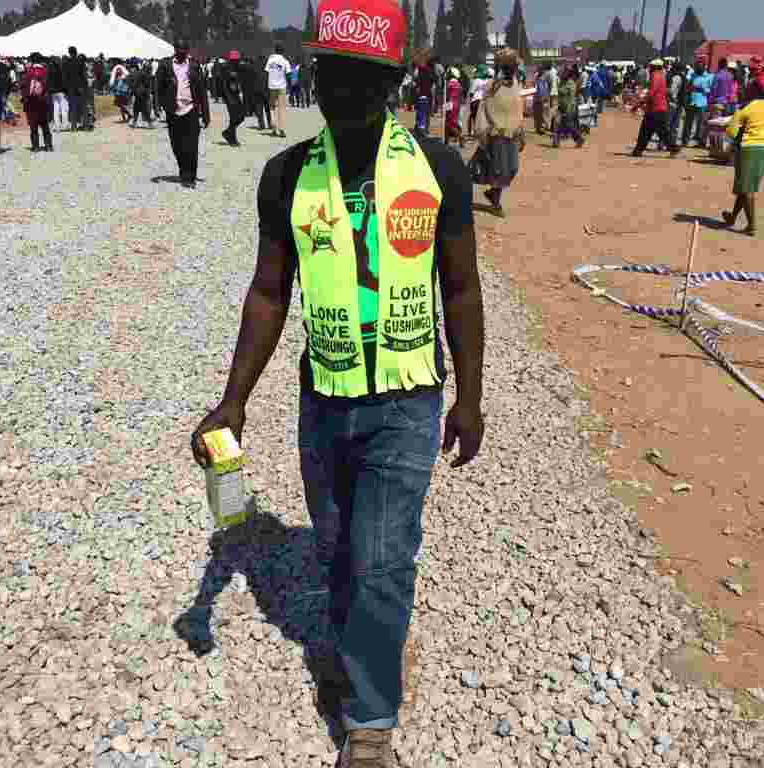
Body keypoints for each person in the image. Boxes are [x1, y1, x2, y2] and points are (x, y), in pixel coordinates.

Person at [191, 0, 483, 764]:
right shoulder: (285, 176)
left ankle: (370, 721)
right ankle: (366, 652)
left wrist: (471, 397)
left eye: (363, 79)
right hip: (322, 398)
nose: (344, 93)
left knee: (382, 553)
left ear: (391, 82)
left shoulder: (438, 169)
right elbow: (268, 291)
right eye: (331, 75)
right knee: (335, 550)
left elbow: (461, 289)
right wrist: (234, 399)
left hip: (406, 400)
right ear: (315, 76)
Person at [722, 79, 764, 237]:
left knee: (747, 189)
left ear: (754, 91)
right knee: (746, 185)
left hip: (749, 148)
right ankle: (732, 216)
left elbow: (731, 131)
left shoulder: (747, 107)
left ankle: (751, 225)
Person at [156, 39, 210, 188]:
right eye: (178, 48)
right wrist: (157, 106)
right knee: (177, 144)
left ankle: (190, 177)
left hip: (191, 110)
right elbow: (157, 86)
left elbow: (202, 91)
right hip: (173, 111)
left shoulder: (194, 66)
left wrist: (206, 114)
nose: (181, 51)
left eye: (184, 48)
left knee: (192, 144)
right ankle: (183, 170)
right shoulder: (165, 65)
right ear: (174, 49)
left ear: (188, 50)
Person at [477, 49, 524, 217]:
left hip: (512, 133)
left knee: (513, 169)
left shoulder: (516, 84)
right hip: (497, 134)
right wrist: (484, 131)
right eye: (512, 65)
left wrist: (521, 130)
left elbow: (518, 108)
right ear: (505, 67)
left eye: (515, 66)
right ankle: (496, 203)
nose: (515, 69)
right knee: (500, 170)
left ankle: (492, 193)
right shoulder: (493, 85)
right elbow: (484, 108)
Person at [631, 59, 679, 158]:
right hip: (656, 108)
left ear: (655, 67)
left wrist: (640, 103)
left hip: (656, 108)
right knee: (647, 130)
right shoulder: (661, 76)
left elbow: (652, 92)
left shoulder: (655, 76)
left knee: (658, 131)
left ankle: (674, 148)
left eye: (651, 66)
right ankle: (638, 150)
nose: (649, 68)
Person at [21, 52, 53, 152]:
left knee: (33, 125)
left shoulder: (29, 72)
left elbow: (23, 85)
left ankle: (35, 146)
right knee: (44, 125)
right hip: (42, 101)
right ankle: (48, 145)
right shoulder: (45, 71)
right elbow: (48, 86)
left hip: (31, 102)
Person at [680, 59, 712, 147]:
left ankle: (699, 141)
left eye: (700, 66)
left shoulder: (709, 77)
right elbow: (686, 86)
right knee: (688, 123)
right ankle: (685, 140)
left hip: (702, 102)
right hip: (692, 101)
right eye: (697, 66)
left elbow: (711, 90)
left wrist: (703, 89)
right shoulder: (692, 76)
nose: (698, 68)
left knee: (701, 123)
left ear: (704, 67)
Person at [553, 64, 584, 148]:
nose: (562, 74)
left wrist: (568, 110)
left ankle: (579, 139)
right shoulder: (561, 82)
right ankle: (556, 142)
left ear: (568, 74)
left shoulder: (571, 84)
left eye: (564, 73)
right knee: (556, 123)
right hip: (560, 107)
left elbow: (571, 99)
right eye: (563, 72)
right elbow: (559, 95)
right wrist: (556, 105)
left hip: (569, 108)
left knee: (569, 125)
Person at [220, 51, 245, 146]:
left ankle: (228, 132)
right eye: (234, 60)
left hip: (236, 95)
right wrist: (226, 97)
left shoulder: (237, 68)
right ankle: (232, 138)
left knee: (241, 116)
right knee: (234, 117)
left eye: (237, 60)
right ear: (231, 60)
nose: (236, 61)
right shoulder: (226, 68)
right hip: (229, 96)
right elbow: (225, 84)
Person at [265, 44, 290, 138]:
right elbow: (288, 74)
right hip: (282, 86)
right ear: (283, 51)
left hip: (271, 86)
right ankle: (282, 129)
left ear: (275, 50)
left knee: (272, 107)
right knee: (281, 108)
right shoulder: (285, 61)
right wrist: (289, 85)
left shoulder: (270, 60)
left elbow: (266, 72)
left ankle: (274, 127)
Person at [62, 46, 85, 130]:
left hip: (70, 87)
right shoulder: (80, 61)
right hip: (79, 87)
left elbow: (64, 76)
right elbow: (83, 75)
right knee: (80, 105)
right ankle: (81, 123)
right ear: (76, 51)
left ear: (69, 52)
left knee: (72, 106)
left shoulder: (66, 62)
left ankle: (73, 125)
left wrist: (64, 88)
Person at [413, 59, 435, 136]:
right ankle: (425, 129)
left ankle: (419, 129)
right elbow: (433, 85)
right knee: (426, 113)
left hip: (421, 95)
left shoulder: (420, 70)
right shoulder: (431, 72)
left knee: (420, 113)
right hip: (428, 95)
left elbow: (416, 82)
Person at [47, 55, 67, 131]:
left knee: (56, 109)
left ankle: (57, 125)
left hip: (53, 91)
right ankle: (64, 124)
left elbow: (48, 81)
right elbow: (63, 80)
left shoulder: (50, 69)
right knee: (63, 108)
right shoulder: (60, 69)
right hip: (61, 91)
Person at [129, 63, 154, 127]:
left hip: (140, 94)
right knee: (141, 109)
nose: (131, 69)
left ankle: (136, 123)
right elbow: (146, 85)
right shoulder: (144, 74)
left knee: (140, 109)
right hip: (140, 94)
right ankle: (149, 123)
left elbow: (143, 84)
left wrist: (135, 91)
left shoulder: (140, 73)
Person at [444, 66, 463, 147]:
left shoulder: (450, 84)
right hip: (456, 105)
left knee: (449, 124)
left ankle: (460, 138)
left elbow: (447, 96)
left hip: (450, 104)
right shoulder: (458, 84)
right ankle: (446, 141)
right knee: (451, 123)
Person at [468, 65, 487, 137]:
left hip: (475, 101)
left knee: (473, 117)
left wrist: (469, 100)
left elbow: (472, 92)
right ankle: (480, 132)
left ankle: (473, 132)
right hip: (482, 100)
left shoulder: (476, 81)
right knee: (481, 117)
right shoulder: (485, 81)